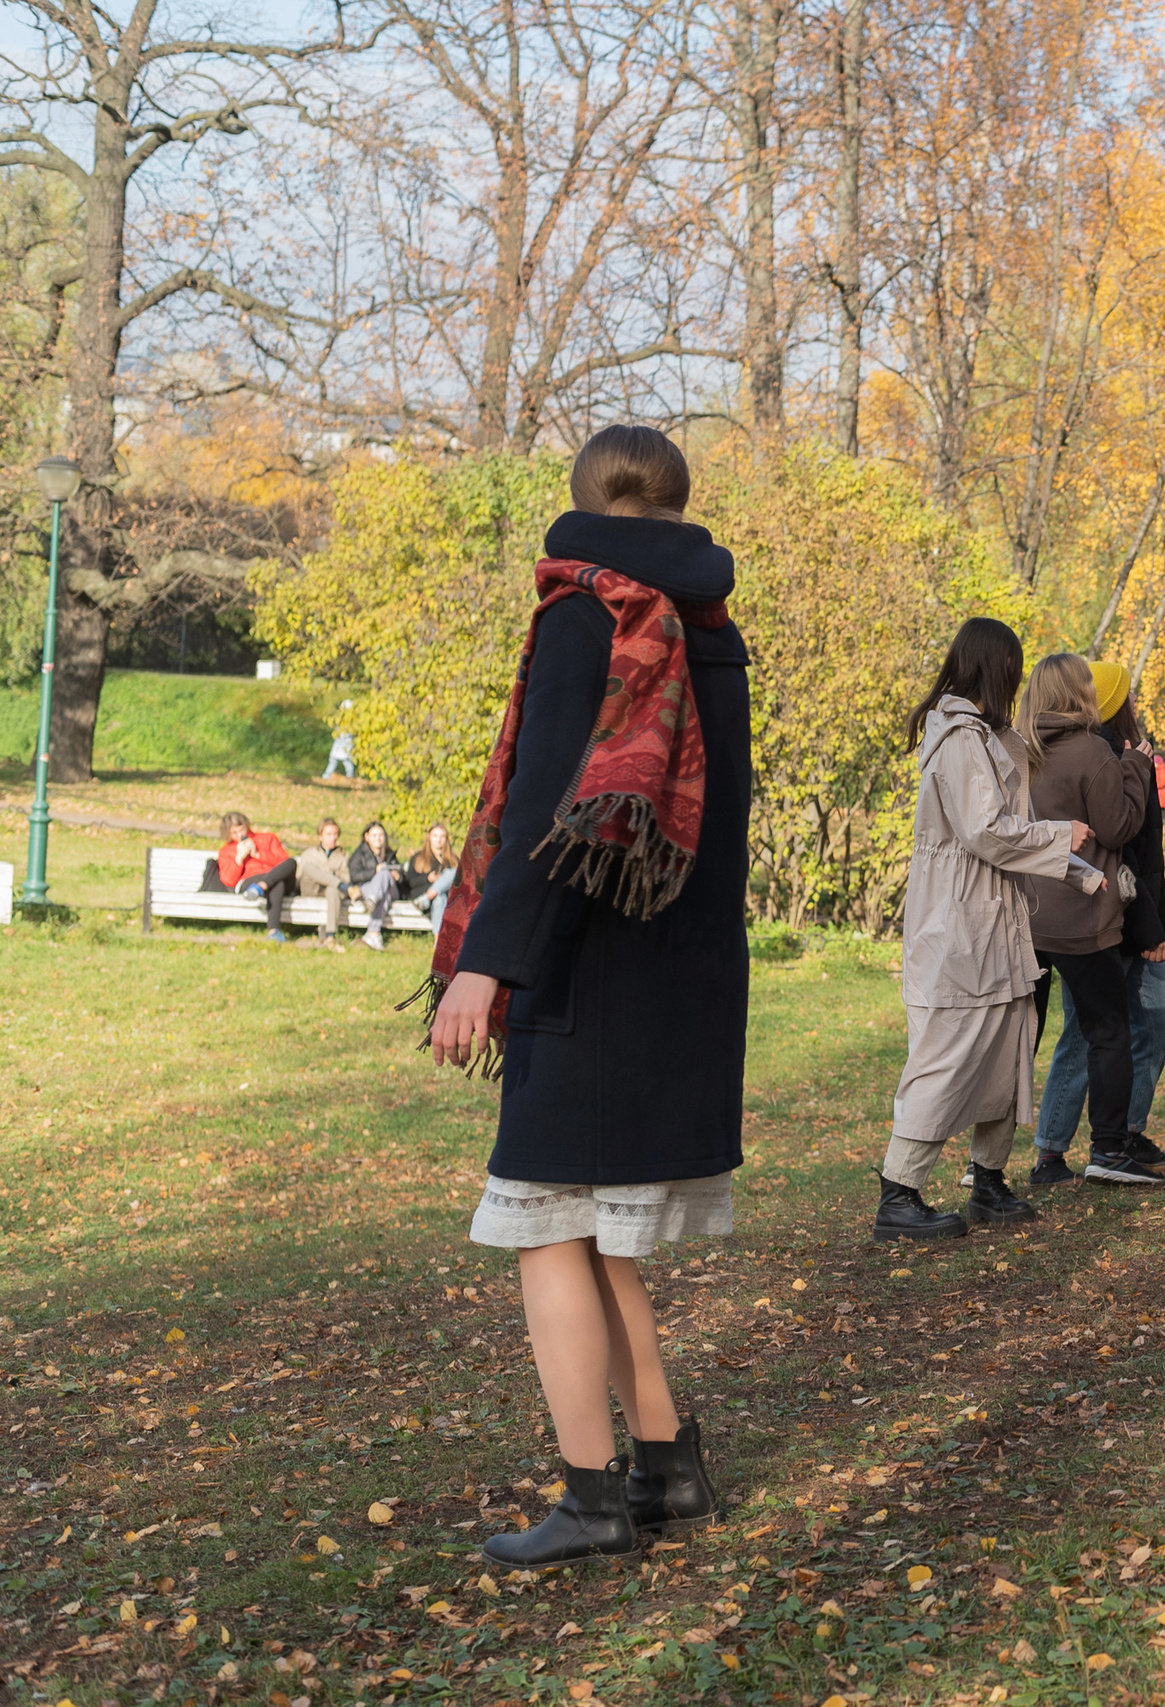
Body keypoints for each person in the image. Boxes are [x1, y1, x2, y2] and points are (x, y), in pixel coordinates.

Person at [425, 424, 749, 1565]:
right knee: (602, 1235)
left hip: (588, 969)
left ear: (580, 502)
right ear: (676, 503)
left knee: (545, 1228)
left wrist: (485, 961)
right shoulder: (710, 630)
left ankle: (592, 1498)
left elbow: (549, 817)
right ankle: (668, 1470)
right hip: (679, 981)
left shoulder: (587, 615)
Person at [877, 618, 1089, 1240]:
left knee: (1004, 1041)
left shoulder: (983, 735)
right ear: (998, 669)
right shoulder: (961, 738)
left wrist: (1070, 865)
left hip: (988, 918)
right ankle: (899, 1191)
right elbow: (988, 831)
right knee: (948, 1050)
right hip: (959, 923)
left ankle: (988, 1181)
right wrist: (1060, 838)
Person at [1027, 658, 1165, 1180]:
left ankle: (1018, 1158)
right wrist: (1137, 770)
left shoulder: (1024, 749)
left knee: (1029, 1034)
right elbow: (1117, 831)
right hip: (1085, 913)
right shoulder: (1093, 751)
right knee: (1106, 1031)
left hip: (1032, 914)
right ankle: (1109, 1148)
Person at [216, 811, 297, 942]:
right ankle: (274, 931)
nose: (239, 835)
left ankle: (260, 887)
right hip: (250, 882)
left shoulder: (268, 838)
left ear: (247, 826)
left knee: (291, 863)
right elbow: (229, 881)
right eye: (234, 833)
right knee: (277, 883)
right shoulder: (226, 851)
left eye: (241, 830)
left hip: (273, 876)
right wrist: (239, 858)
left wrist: (258, 854)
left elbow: (284, 863)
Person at [293, 818, 352, 951]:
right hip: (311, 889)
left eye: (335, 834)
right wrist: (329, 875)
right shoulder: (309, 854)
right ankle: (339, 885)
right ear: (320, 836)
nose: (333, 838)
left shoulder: (343, 856)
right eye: (328, 834)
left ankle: (330, 936)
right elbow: (300, 875)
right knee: (309, 867)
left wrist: (330, 878)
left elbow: (346, 877)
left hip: (331, 893)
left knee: (333, 889)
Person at [347, 820, 407, 951]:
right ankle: (373, 934)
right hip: (367, 889)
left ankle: (373, 899)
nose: (378, 838)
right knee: (383, 895)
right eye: (374, 835)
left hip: (389, 891)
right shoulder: (359, 854)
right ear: (366, 837)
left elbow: (403, 878)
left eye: (381, 835)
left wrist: (398, 877)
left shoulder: (390, 854)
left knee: (385, 874)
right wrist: (375, 870)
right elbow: (355, 876)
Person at [411, 823, 460, 936]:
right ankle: (426, 897)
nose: (439, 840)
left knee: (451, 876)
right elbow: (410, 881)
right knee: (450, 876)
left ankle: (437, 941)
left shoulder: (453, 859)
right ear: (429, 837)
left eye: (442, 836)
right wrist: (427, 878)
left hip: (445, 900)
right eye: (435, 836)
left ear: (446, 838)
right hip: (420, 895)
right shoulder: (419, 858)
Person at [323, 707, 358, 780]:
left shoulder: (351, 722)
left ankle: (350, 777)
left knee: (347, 761)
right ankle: (326, 776)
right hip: (339, 745)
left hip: (346, 745)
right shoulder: (341, 721)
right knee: (335, 760)